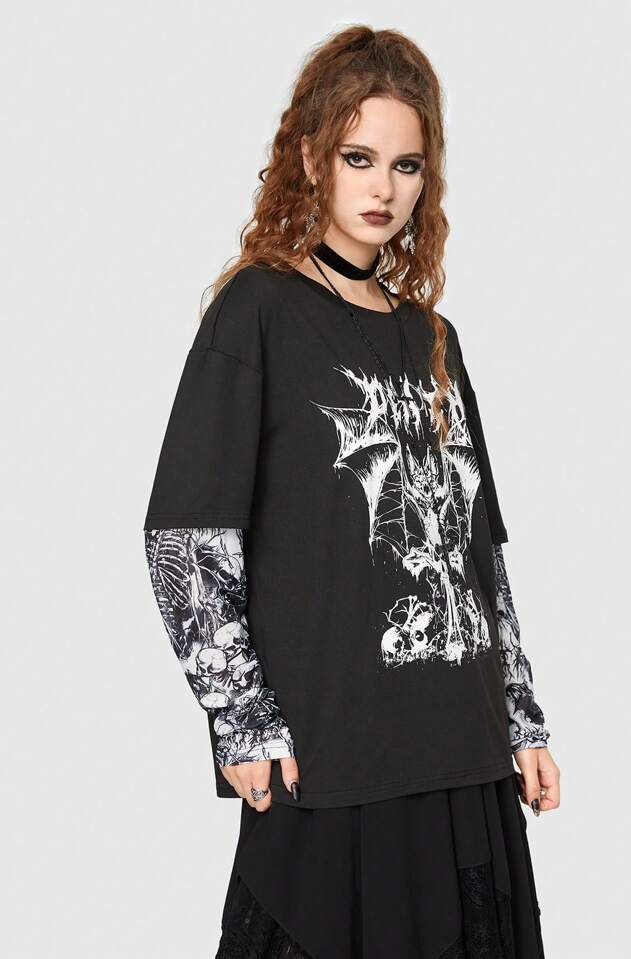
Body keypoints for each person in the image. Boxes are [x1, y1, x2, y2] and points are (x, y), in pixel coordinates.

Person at [142, 24, 560, 959]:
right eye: (357, 157)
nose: (383, 189)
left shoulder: (434, 338)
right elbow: (186, 536)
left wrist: (521, 715)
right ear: (310, 159)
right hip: (332, 757)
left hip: (463, 753)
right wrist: (241, 716)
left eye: (406, 165)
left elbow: (479, 553)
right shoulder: (258, 310)